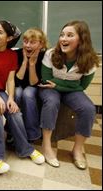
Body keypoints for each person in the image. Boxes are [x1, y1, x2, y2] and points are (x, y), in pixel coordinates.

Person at [0, 20, 45, 174]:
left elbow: (10, 80)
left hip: (2, 91)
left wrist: (10, 99)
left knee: (14, 111)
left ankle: (25, 149)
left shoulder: (12, 55)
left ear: (9, 38)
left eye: (0, 32)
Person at [39, 20, 99, 169]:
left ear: (81, 40)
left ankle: (77, 150)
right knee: (51, 103)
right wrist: (67, 85)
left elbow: (82, 86)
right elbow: (46, 80)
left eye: (69, 35)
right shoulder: (51, 53)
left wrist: (59, 84)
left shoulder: (90, 60)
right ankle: (46, 146)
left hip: (70, 91)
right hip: (50, 89)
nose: (63, 39)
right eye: (62, 35)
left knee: (88, 108)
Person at [14, 28, 49, 141]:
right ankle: (12, 131)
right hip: (19, 84)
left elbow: (34, 83)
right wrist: (25, 62)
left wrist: (32, 64)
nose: (28, 45)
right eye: (25, 41)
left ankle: (32, 134)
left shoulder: (44, 56)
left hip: (34, 86)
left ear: (41, 44)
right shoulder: (18, 53)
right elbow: (18, 80)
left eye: (33, 42)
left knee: (28, 93)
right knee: (18, 93)